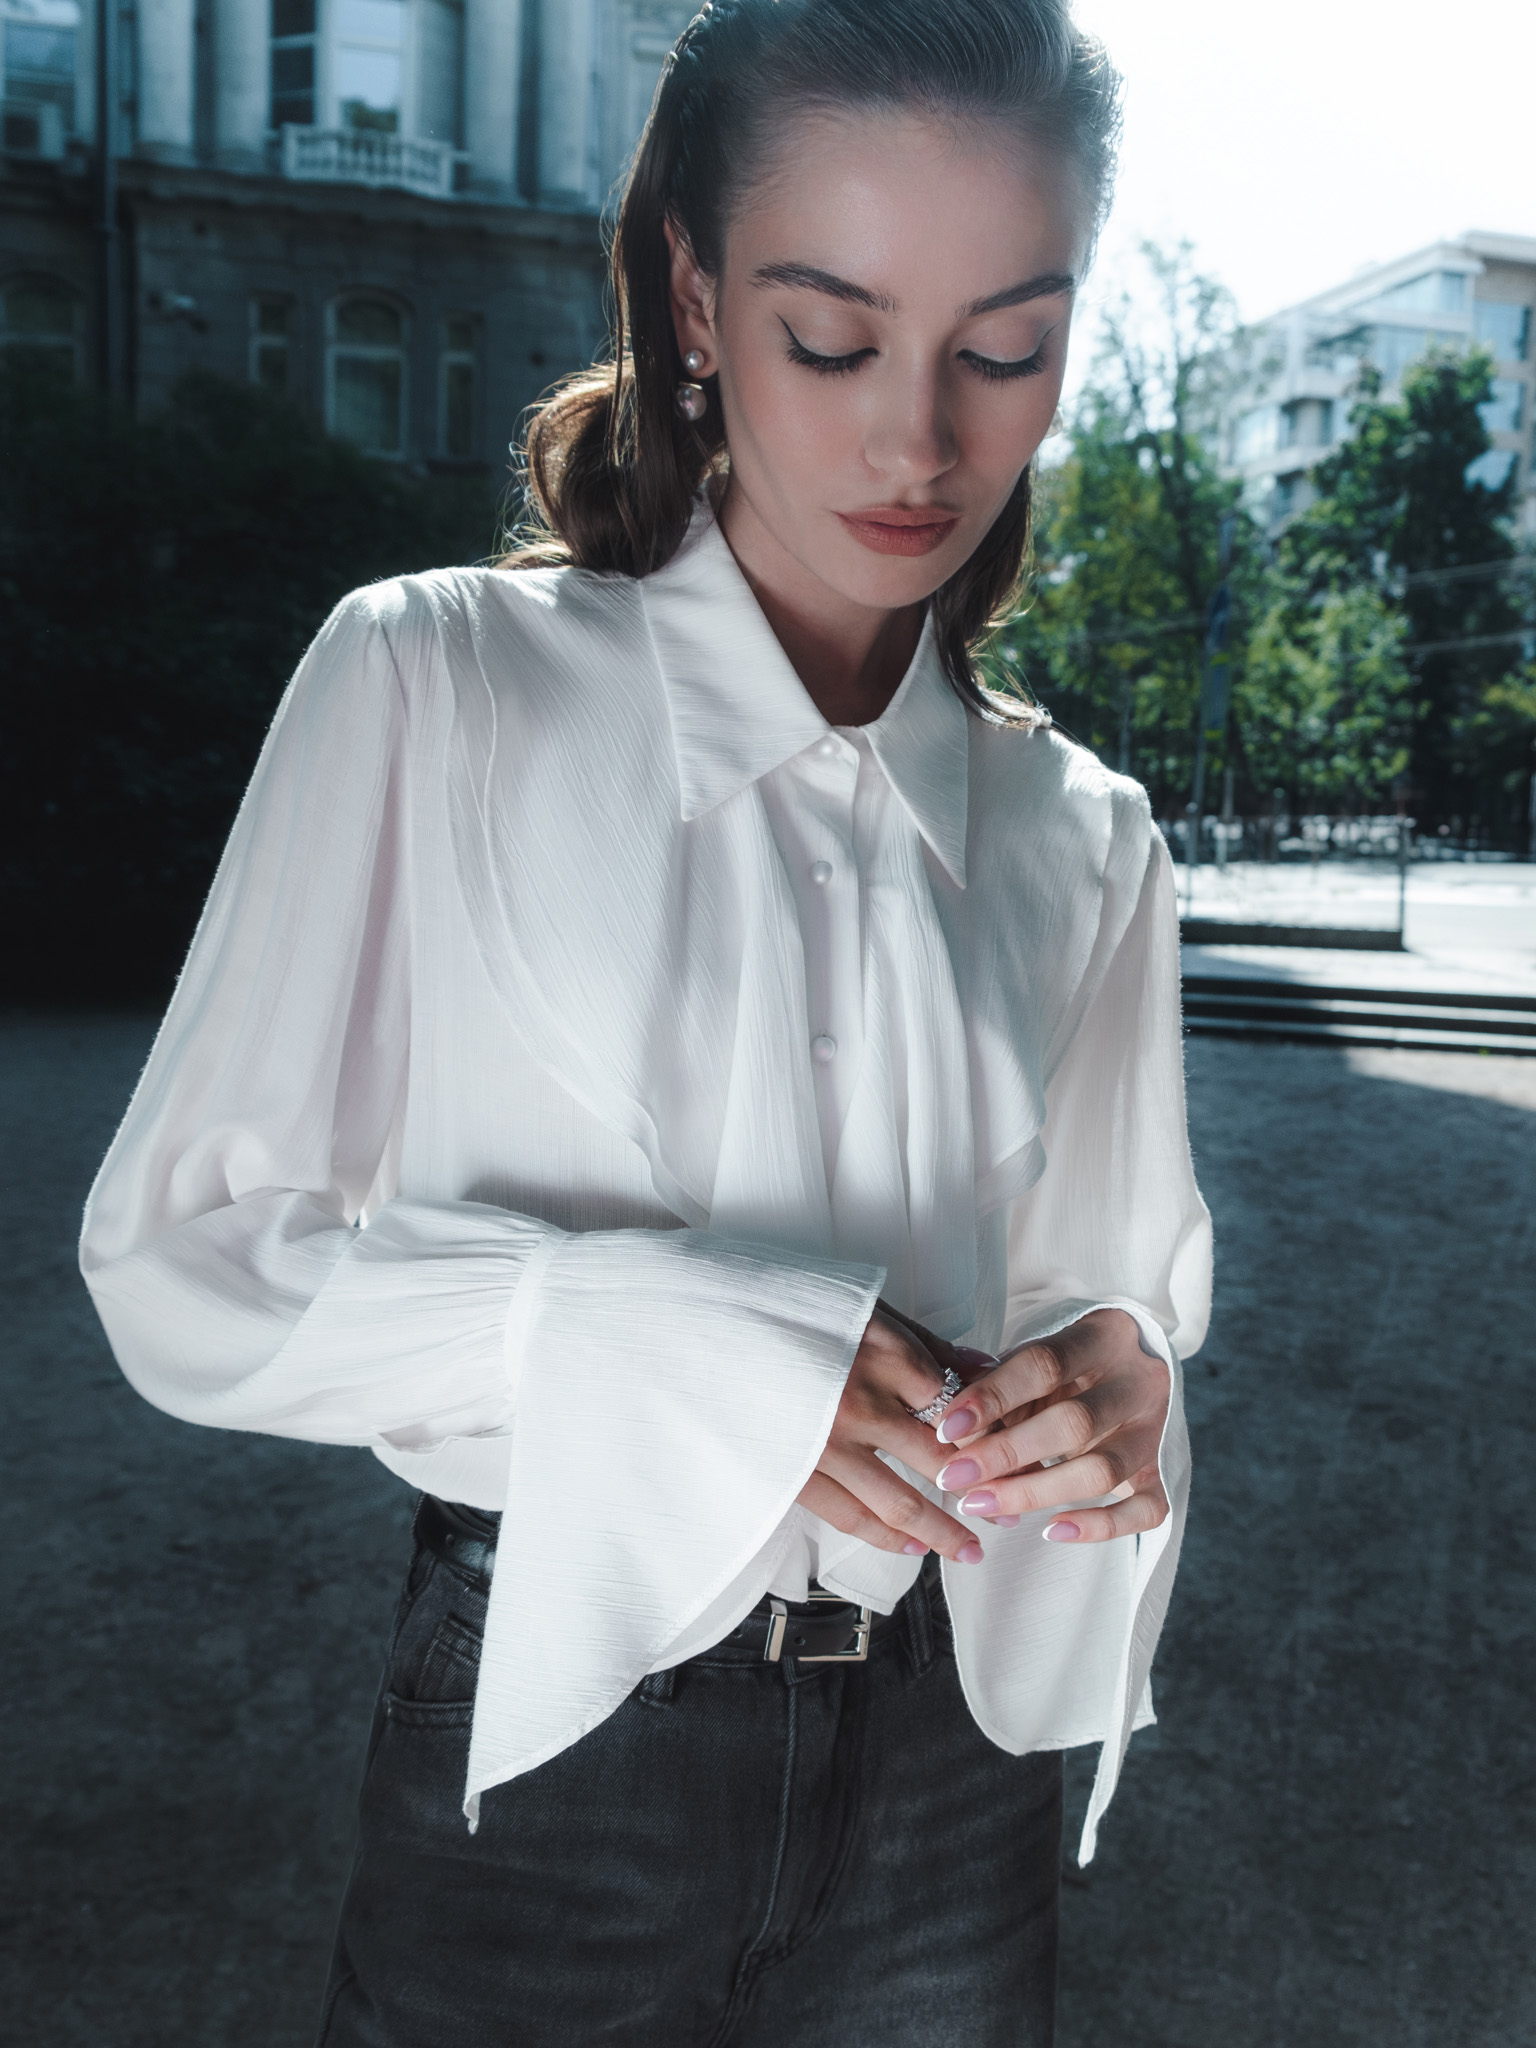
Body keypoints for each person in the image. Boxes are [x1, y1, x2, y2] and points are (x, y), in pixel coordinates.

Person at [80, 2, 1211, 2042]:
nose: (919, 441)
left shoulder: (1092, 839)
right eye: (833, 331)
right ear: (695, 294)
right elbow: (177, 1257)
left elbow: (1113, 1295)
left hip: (961, 1768)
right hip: (558, 1735)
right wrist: (625, 1322)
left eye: (1005, 343)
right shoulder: (431, 683)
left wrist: (1119, 1391)